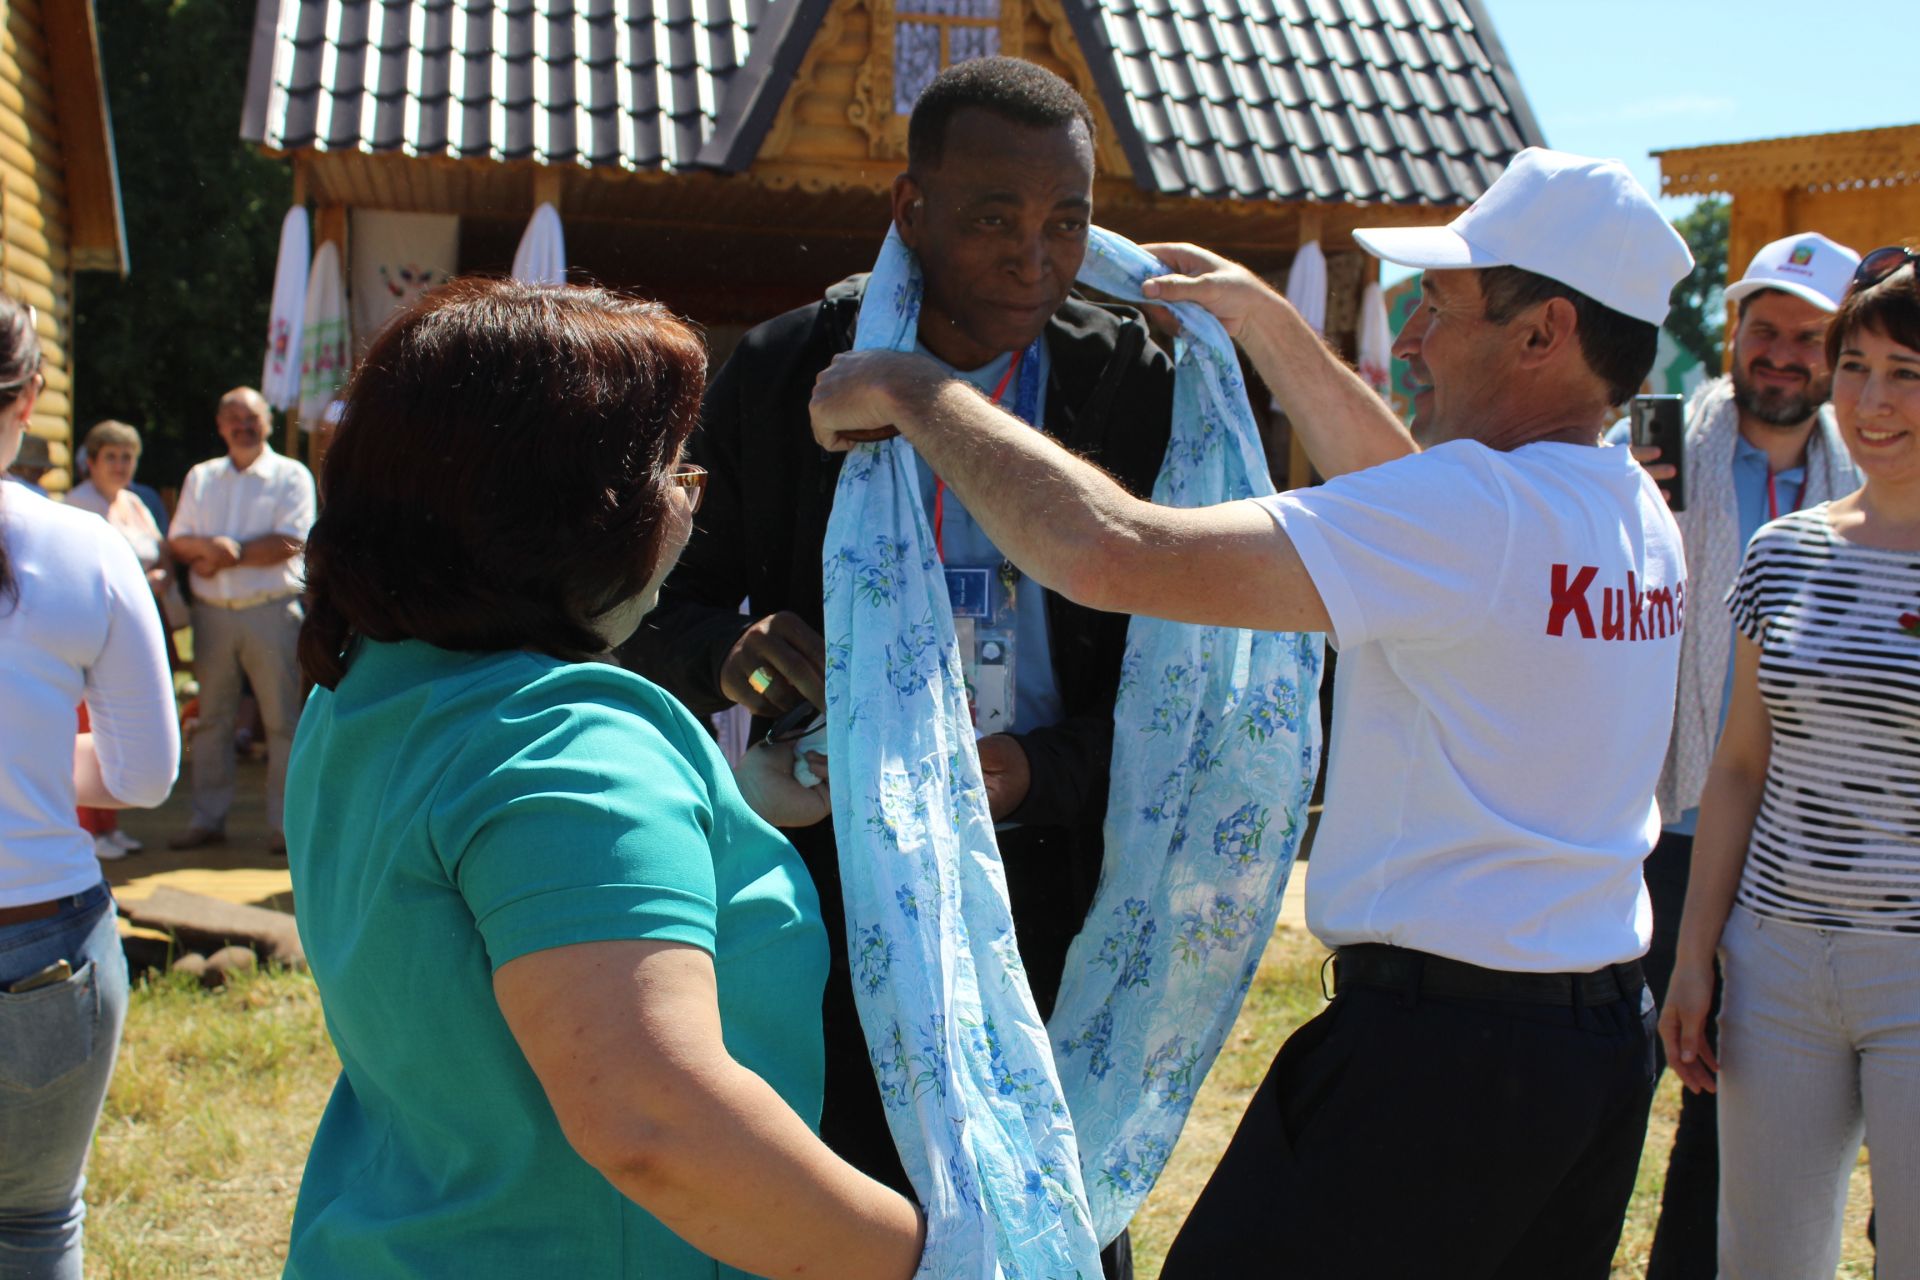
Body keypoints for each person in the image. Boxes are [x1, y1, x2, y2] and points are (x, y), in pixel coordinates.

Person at [812, 146, 1692, 1276]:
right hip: (1586, 1055)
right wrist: (1271, 327)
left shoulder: (1476, 516)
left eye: (1443, 305)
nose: (1414, 337)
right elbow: (1408, 501)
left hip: (1439, 1062)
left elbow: (1110, 551)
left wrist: (915, 389)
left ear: (1543, 332)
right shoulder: (1623, 506)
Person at [623, 57, 1168, 1274]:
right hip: (841, 875)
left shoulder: (1129, 381)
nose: (1037, 256)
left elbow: (1176, 677)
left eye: (1068, 222)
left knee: (1059, 1209)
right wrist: (737, 655)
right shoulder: (783, 370)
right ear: (909, 208)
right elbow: (662, 608)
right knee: (858, 1211)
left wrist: (1038, 769)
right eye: (994, 218)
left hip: (1050, 883)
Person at [282, 278, 922, 1280]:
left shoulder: (370, 684)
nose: (688, 502)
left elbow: (479, 901)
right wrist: (931, 1259)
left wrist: (728, 809)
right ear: (571, 512)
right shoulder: (567, 740)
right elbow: (655, 1122)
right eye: (673, 470)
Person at [1659, 247, 1920, 1279]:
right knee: (1763, 1260)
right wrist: (1695, 954)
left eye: (1908, 372)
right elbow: (1738, 766)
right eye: (1855, 364)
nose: (1871, 398)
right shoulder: (1786, 549)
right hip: (1776, 965)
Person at [1607, 230, 1863, 1274]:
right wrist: (1622, 492)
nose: (1784, 354)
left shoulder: (1877, 469)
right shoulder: (1656, 446)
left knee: (1733, 1112)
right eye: (1766, 329)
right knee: (1610, 1085)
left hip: (1783, 850)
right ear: (1732, 331)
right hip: (1650, 824)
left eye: (1810, 337)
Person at [0, 292, 179, 1279]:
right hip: (43, 948)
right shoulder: (88, 549)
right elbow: (144, 777)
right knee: (31, 1225)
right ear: (30, 396)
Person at [165, 387, 316, 855]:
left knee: (282, 723)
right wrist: (210, 551)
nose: (243, 426)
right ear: (220, 425)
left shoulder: (291, 475)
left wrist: (224, 555)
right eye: (233, 417)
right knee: (211, 722)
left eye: (251, 418)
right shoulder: (202, 476)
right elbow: (179, 541)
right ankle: (207, 819)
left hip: (271, 611)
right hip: (212, 617)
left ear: (268, 423)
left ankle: (284, 827)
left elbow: (293, 541)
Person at [68, 419, 181, 861]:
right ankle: (88, 829)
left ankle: (110, 827)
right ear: (90, 462)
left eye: (126, 457)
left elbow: (163, 553)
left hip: (136, 625)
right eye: (110, 457)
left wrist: (161, 578)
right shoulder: (76, 506)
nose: (119, 465)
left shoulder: (135, 503)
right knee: (86, 725)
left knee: (119, 724)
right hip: (91, 631)